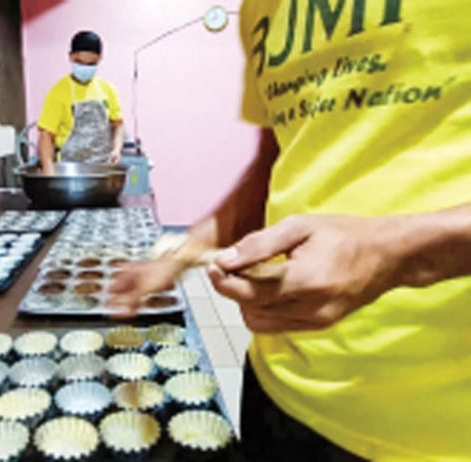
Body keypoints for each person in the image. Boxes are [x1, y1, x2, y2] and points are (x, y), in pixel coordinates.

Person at [110, 1, 471, 460]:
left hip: (432, 425)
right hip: (276, 385)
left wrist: (400, 250)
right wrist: (180, 253)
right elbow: (275, 165)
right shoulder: (258, 10)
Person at [36, 30, 124, 175]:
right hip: (70, 171)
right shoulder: (58, 92)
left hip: (103, 170)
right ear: (70, 57)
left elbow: (118, 125)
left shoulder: (108, 90)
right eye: (79, 62)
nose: (85, 67)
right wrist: (48, 169)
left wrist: (116, 149)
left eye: (91, 64)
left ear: (100, 59)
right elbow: (46, 135)